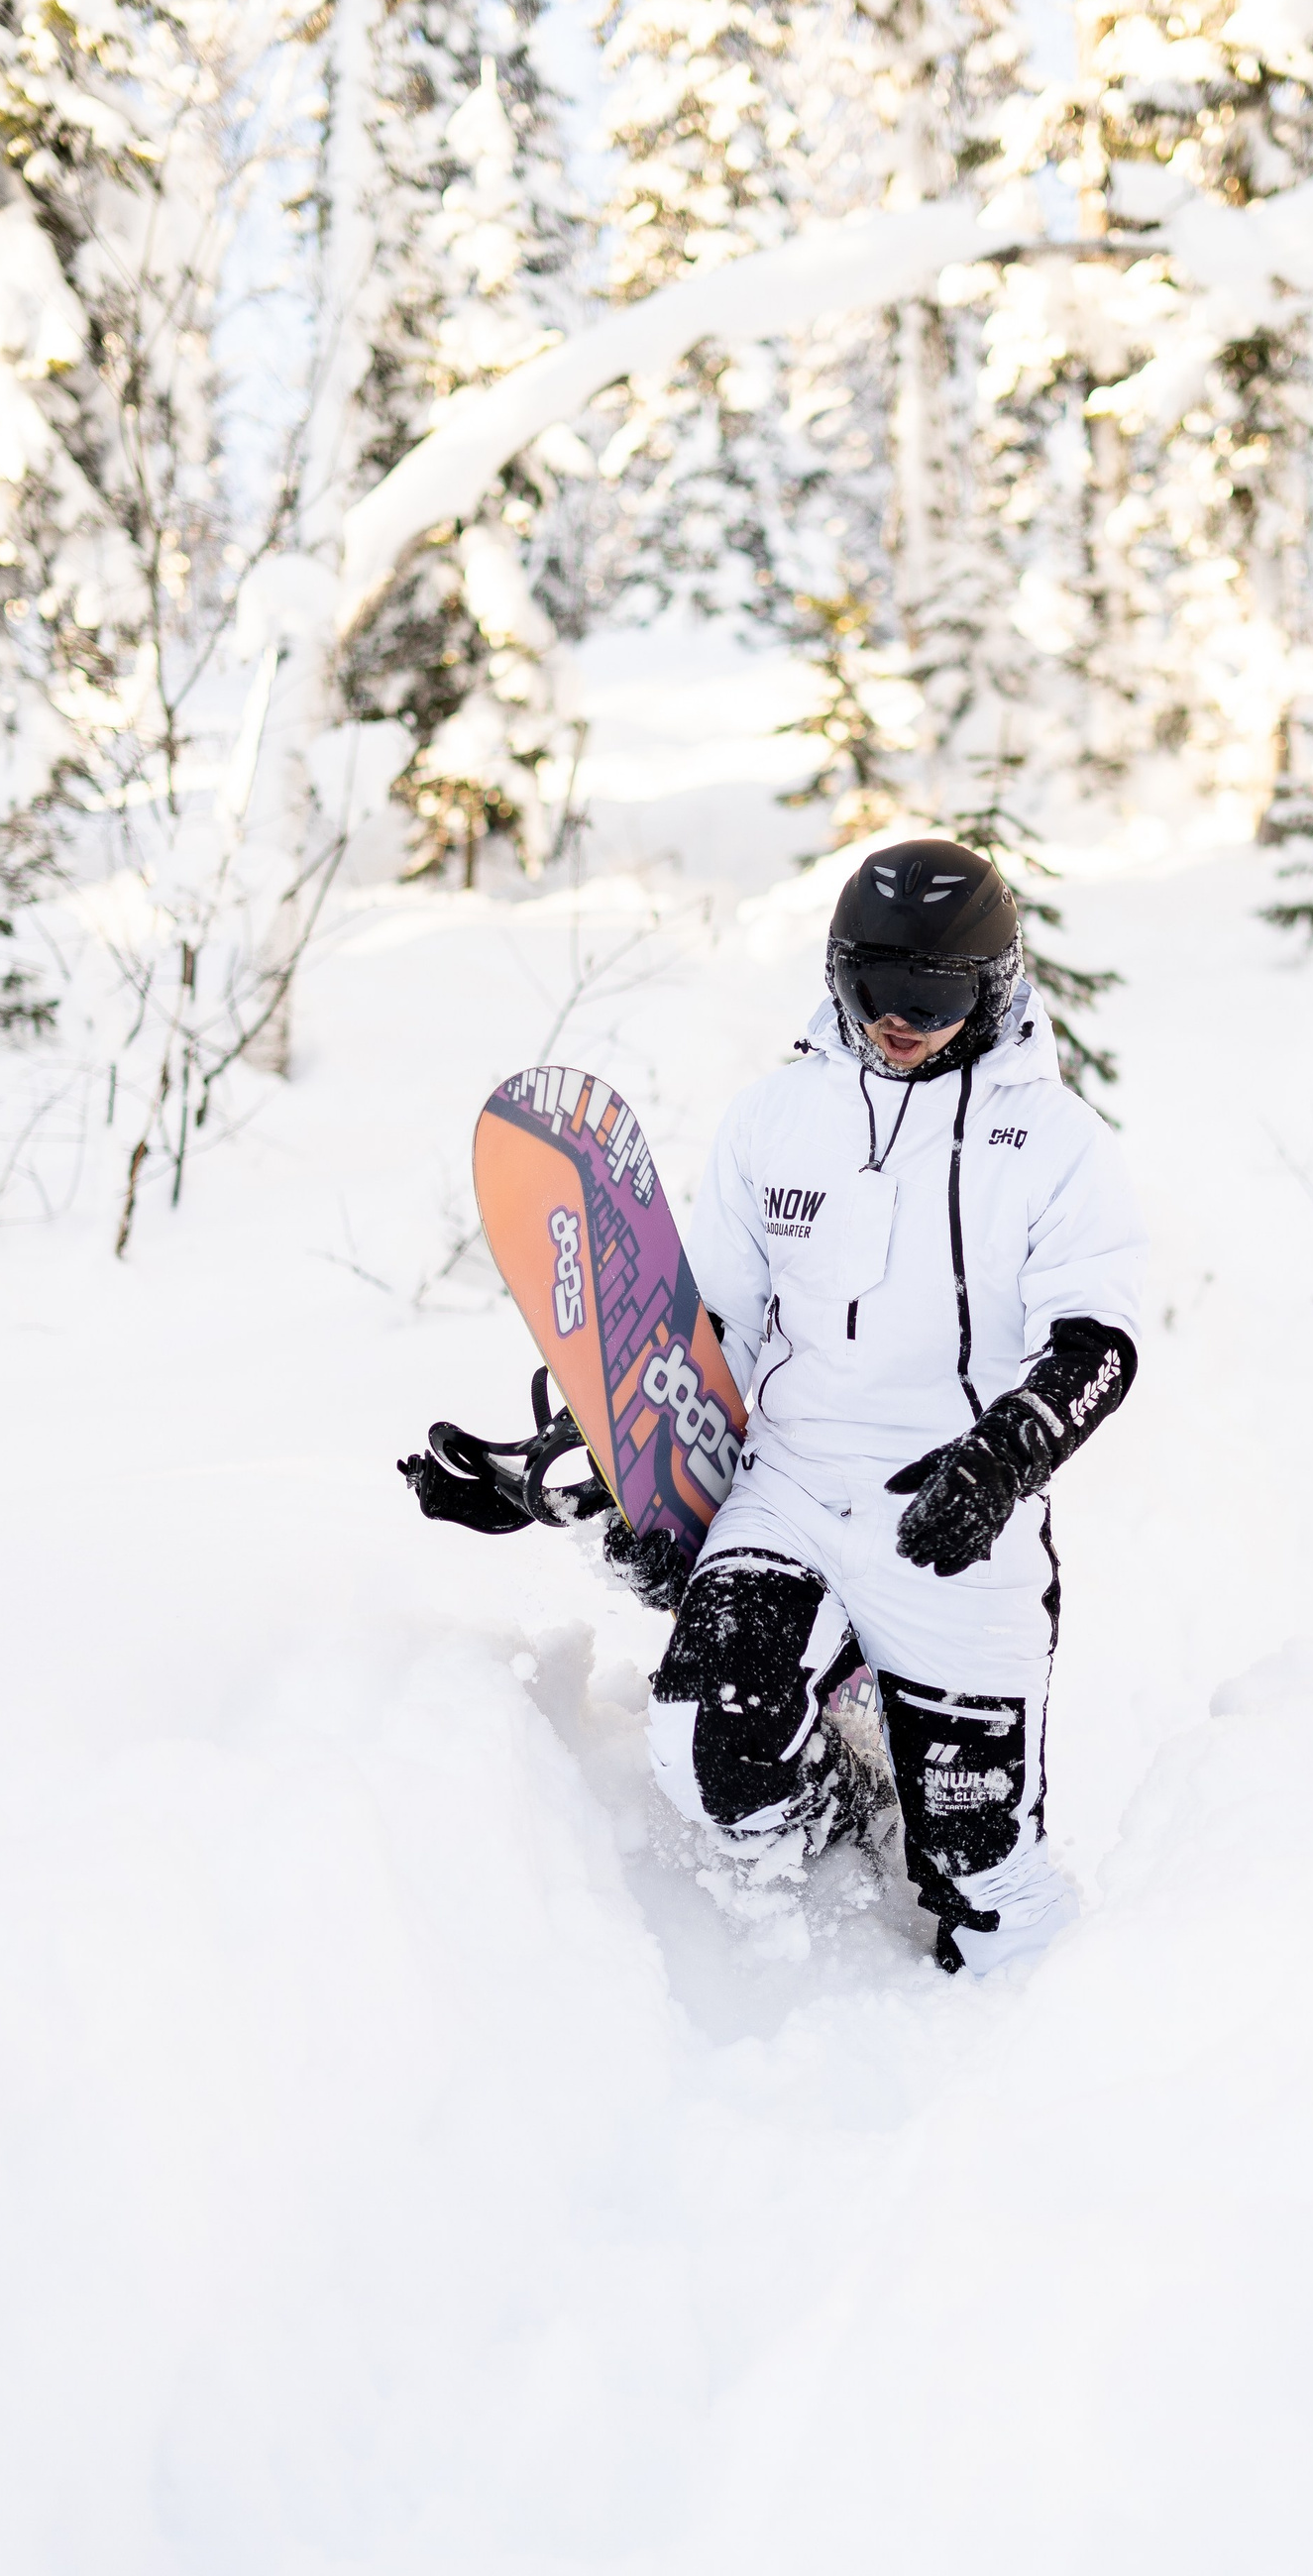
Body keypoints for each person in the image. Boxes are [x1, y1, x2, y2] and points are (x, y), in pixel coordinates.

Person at [401, 837, 1146, 1975]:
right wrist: (569, 1460)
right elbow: (702, 1341)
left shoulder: (1054, 1144)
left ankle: (985, 1976)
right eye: (870, 984)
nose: (895, 1020)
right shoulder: (776, 1120)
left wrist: (1004, 1458)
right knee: (711, 1749)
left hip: (958, 1521)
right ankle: (848, 1820)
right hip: (789, 1490)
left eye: (931, 997)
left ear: (992, 991)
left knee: (991, 1888)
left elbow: (1100, 1344)